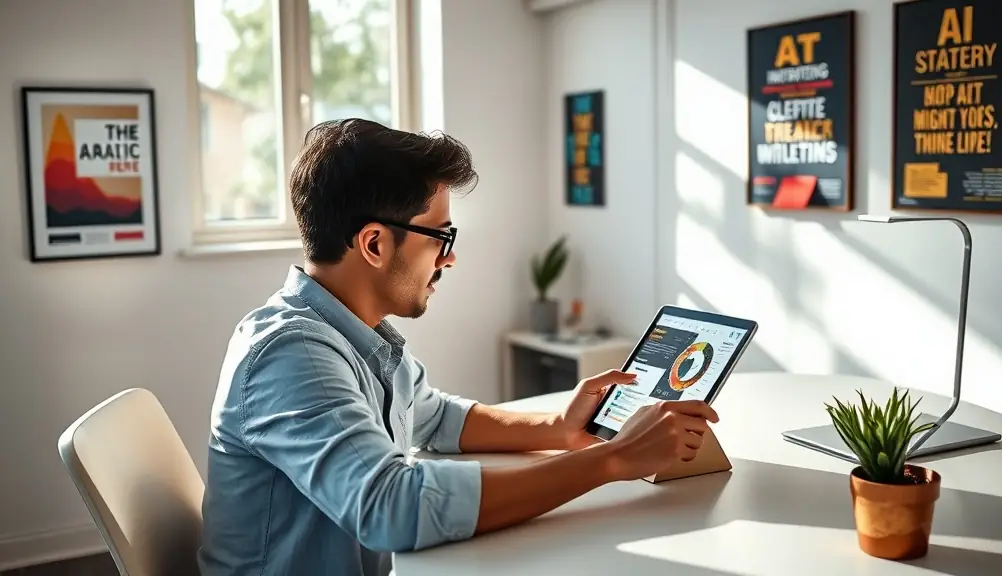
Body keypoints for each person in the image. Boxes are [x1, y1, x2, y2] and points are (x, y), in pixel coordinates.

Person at [197, 118, 719, 576]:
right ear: (375, 244)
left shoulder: (355, 331)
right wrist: (614, 459)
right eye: (441, 238)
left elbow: (433, 418)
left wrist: (559, 428)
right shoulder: (291, 355)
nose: (450, 260)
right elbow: (391, 508)